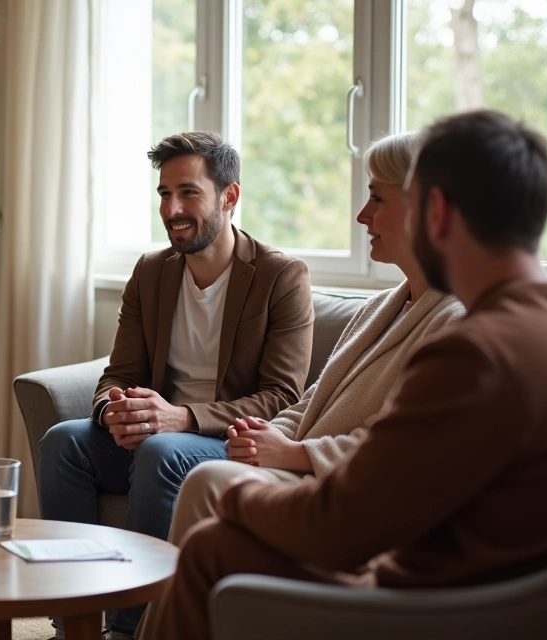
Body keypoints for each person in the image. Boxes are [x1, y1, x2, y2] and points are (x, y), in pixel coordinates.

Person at [141, 110, 547, 640]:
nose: (362, 217)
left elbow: (336, 530)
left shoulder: (480, 352)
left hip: (462, 608)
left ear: (436, 212)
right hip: (526, 589)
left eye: (382, 199)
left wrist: (235, 495)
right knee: (220, 545)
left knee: (211, 548)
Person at [37, 131, 314, 638]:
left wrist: (180, 418)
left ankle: (130, 627)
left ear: (229, 196)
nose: (172, 208)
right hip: (156, 437)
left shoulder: (280, 276)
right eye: (165, 194)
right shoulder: (150, 272)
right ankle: (74, 620)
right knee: (64, 443)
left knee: (161, 450)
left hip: (222, 443)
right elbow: (118, 375)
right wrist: (114, 409)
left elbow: (283, 397)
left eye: (189, 192)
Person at [161, 132, 464, 547]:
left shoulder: (457, 321)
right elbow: (314, 400)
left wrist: (294, 454)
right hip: (301, 464)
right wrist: (262, 434)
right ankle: (180, 610)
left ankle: (167, 611)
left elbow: (409, 447)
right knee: (208, 478)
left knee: (210, 480)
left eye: (377, 198)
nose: (362, 215)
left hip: (354, 490)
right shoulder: (378, 308)